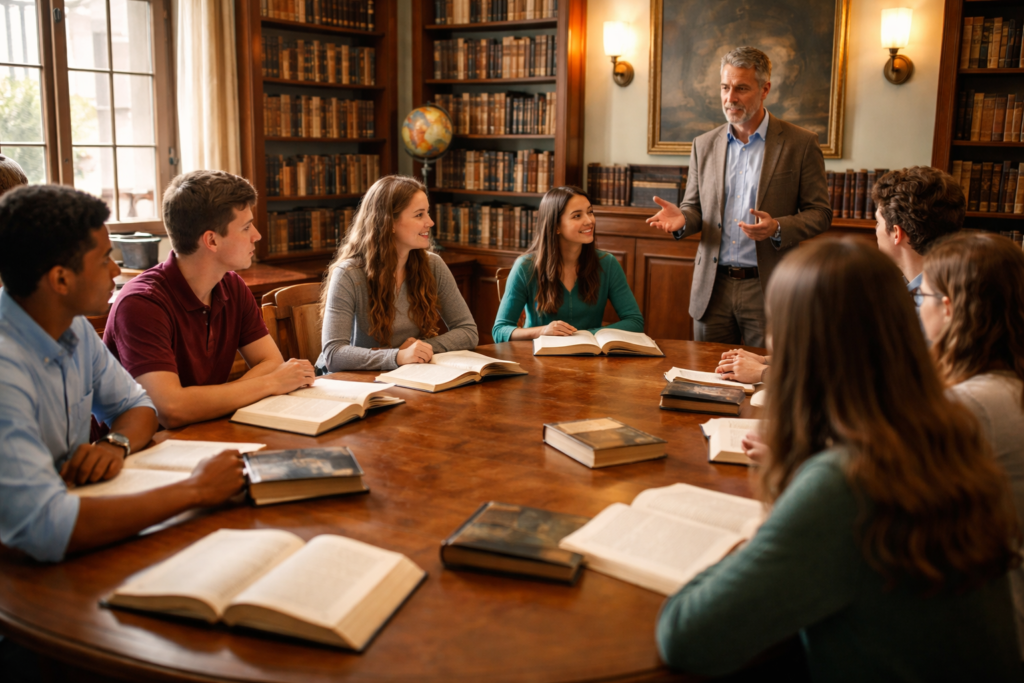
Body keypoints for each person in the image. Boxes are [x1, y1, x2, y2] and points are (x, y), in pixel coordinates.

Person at [656, 238, 1021, 680]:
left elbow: (686, 636)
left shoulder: (848, 481)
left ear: (798, 345)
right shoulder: (946, 438)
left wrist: (761, 528)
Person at [0, 185, 246, 564]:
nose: (117, 270)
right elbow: (46, 527)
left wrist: (117, 443)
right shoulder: (5, 369)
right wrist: (195, 490)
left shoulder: (74, 328)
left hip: (80, 517)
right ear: (61, 280)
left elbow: (137, 406)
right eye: (104, 260)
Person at [646, 46, 831, 347]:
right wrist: (683, 219)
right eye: (725, 87)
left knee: (765, 383)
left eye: (741, 88)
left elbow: (820, 213)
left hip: (768, 286)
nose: (730, 98)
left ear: (765, 89)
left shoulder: (800, 143)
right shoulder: (703, 145)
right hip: (712, 288)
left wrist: (778, 227)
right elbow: (693, 207)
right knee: (707, 380)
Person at [103, 170, 316, 428]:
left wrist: (213, 398)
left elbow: (271, 362)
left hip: (204, 430)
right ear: (212, 240)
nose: (257, 235)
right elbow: (170, 409)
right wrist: (270, 384)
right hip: (138, 451)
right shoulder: (141, 304)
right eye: (246, 227)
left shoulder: (232, 286)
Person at [920, 232, 1024, 658]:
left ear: (948, 308)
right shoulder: (1005, 383)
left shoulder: (969, 404)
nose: (919, 307)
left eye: (922, 296)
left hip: (989, 619)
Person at [317, 175, 478, 371]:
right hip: (356, 383)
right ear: (389, 223)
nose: (430, 222)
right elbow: (334, 354)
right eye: (419, 215)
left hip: (407, 375)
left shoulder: (432, 265)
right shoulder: (348, 274)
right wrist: (398, 356)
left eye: (427, 213)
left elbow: (468, 331)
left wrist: (419, 350)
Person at [492, 185, 643, 342]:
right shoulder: (525, 267)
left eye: (590, 212)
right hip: (537, 360)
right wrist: (542, 331)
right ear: (556, 225)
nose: (589, 220)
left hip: (589, 358)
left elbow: (635, 322)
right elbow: (500, 331)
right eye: (577, 216)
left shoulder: (607, 264)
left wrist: (587, 335)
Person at [870, 166, 964, 312]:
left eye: (878, 222)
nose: (876, 230)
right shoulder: (960, 283)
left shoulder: (927, 312)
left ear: (896, 233)